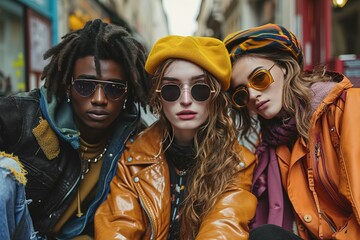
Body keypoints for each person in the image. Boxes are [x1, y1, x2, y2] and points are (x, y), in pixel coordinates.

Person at [94, 35, 257, 239]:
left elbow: (223, 227)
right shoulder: (133, 155)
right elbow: (119, 225)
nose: (186, 100)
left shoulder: (238, 162)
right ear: (159, 98)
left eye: (200, 89)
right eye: (172, 90)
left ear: (215, 97)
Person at [0, 18, 150, 239]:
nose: (99, 99)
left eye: (114, 89)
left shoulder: (136, 139)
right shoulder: (25, 115)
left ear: (128, 93)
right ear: (68, 86)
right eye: (85, 86)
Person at [224, 23, 360, 239]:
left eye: (259, 78)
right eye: (241, 94)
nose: (252, 95)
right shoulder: (270, 145)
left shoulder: (347, 108)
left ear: (285, 68)